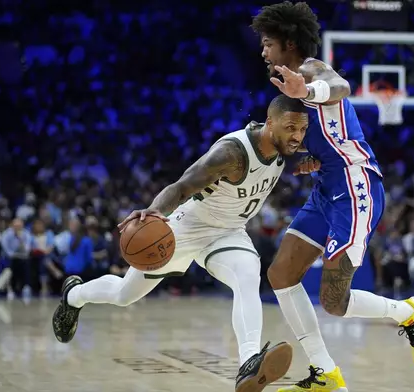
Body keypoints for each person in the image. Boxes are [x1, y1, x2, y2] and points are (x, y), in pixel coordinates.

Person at [52, 94, 311, 392]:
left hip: (228, 233)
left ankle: (249, 362)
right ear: (270, 123)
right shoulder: (231, 153)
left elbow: (323, 141)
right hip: (185, 228)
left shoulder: (287, 140)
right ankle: (74, 295)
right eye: (291, 128)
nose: (297, 137)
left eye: (302, 131)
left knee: (248, 274)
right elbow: (182, 185)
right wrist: (156, 211)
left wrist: (322, 155)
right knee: (125, 295)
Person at [251, 2, 414, 391]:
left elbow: (341, 86)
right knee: (280, 273)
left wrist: (309, 89)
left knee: (334, 301)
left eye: (268, 44)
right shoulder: (287, 87)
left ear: (288, 42)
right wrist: (307, 159)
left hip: (355, 190)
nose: (264, 52)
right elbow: (322, 140)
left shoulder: (312, 70)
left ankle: (407, 312)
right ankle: (326, 374)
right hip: (326, 190)